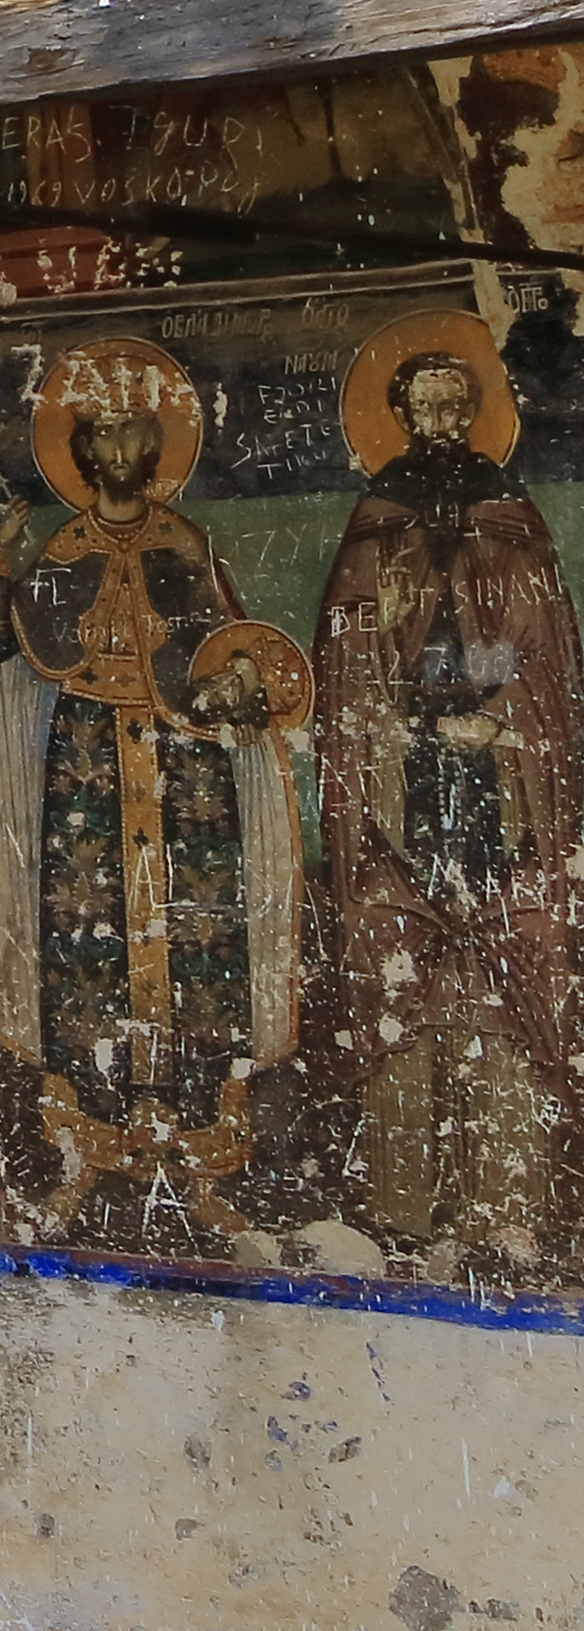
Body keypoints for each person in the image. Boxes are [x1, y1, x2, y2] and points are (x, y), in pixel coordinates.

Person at [0, 336, 312, 1243]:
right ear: (81, 453)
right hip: (86, 750)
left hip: (181, 753)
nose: (118, 455)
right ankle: (94, 1155)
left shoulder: (183, 542)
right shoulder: (66, 545)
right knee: (90, 948)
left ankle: (193, 1158)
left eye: (132, 439)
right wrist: (1, 563)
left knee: (197, 939)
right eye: (103, 440)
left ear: (153, 450)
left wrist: (234, 694)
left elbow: (218, 650)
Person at [310, 311, 580, 1264]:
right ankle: (407, 1206)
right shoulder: (380, 505)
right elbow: (349, 641)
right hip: (409, 757)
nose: (438, 416)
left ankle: (510, 1203)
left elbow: (539, 635)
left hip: (496, 756)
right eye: (422, 403)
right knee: (409, 962)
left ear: (473, 412)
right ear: (399, 413)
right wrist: (405, 715)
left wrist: (502, 714)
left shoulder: (506, 501)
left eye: (453, 402)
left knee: (505, 957)